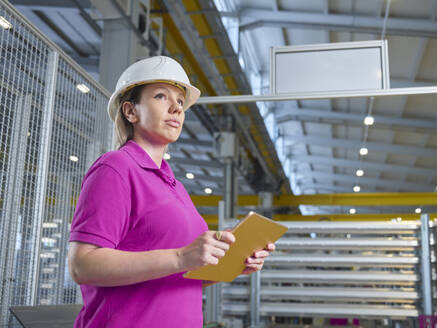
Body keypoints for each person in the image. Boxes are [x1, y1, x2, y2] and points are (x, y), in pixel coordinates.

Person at [67, 56, 276, 327]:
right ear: (130, 111)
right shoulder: (116, 167)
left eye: (180, 101)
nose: (176, 108)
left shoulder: (174, 186)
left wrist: (235, 264)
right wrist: (181, 256)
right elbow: (82, 265)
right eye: (161, 96)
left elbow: (179, 275)